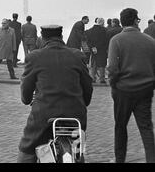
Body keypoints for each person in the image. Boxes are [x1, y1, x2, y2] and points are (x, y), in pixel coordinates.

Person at [17, 25, 93, 163]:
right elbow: (88, 88)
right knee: (77, 150)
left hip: (44, 116)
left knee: (27, 149)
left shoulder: (35, 57)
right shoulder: (77, 56)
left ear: (43, 38)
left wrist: (26, 98)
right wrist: (84, 102)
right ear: (61, 37)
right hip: (75, 115)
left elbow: (26, 91)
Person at [107, 8, 155, 163]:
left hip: (123, 90)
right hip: (145, 89)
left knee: (120, 127)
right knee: (146, 128)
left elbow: (113, 68)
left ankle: (119, 159)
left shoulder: (116, 40)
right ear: (136, 21)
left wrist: (113, 85)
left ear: (122, 22)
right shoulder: (150, 41)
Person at [86, 17, 108, 84]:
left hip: (93, 50)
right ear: (102, 22)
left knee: (93, 64)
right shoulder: (104, 30)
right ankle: (102, 79)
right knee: (102, 64)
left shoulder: (89, 31)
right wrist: (98, 47)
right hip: (102, 50)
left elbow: (87, 41)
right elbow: (105, 41)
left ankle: (93, 78)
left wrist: (93, 47)